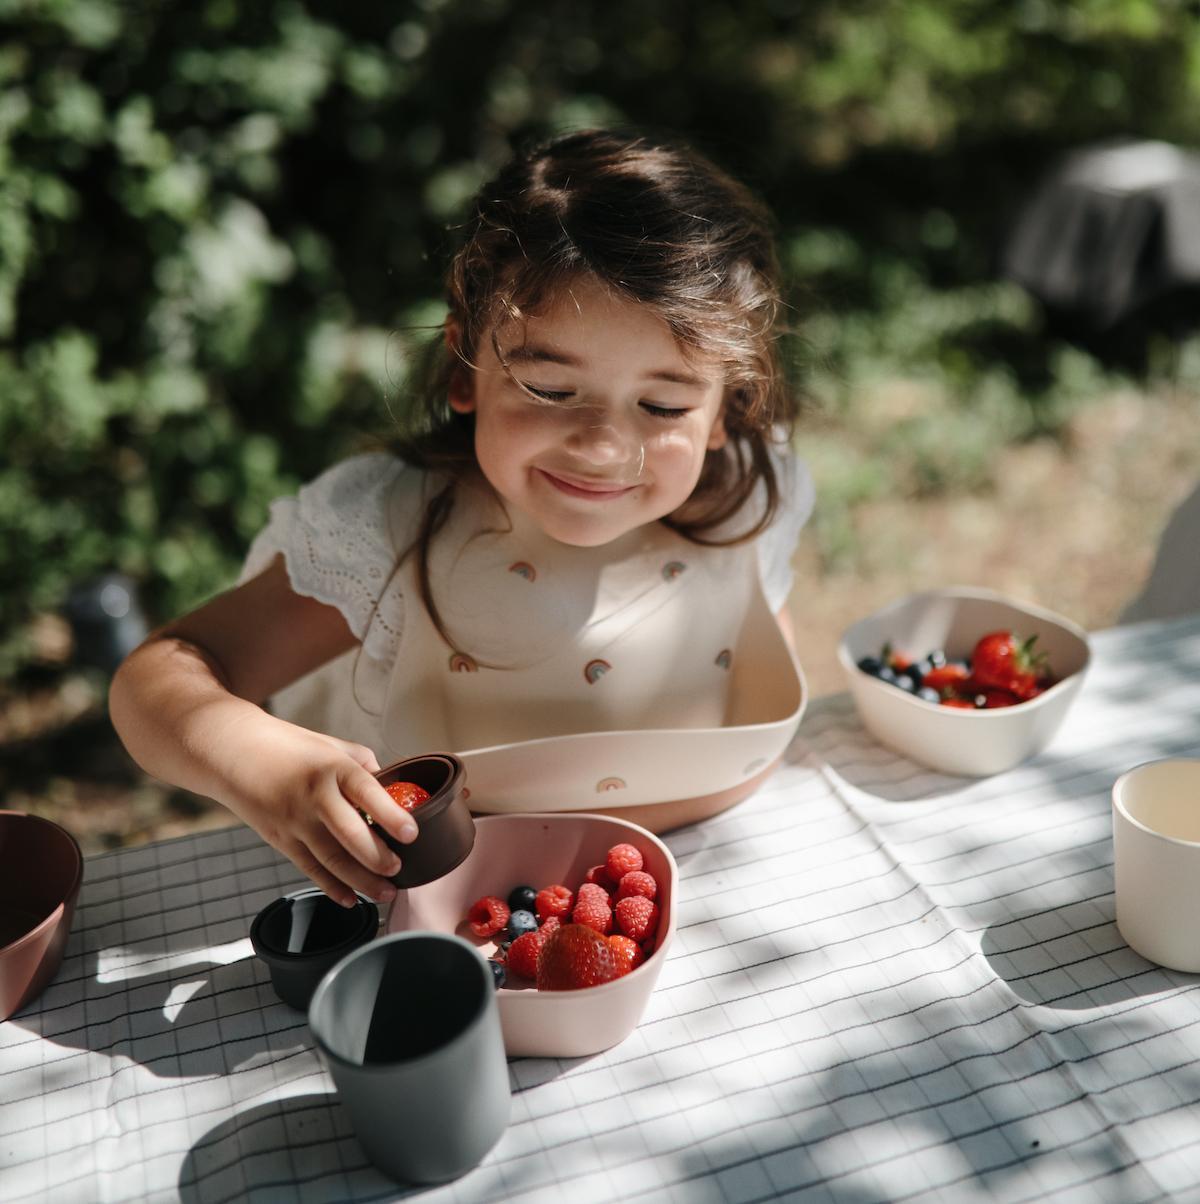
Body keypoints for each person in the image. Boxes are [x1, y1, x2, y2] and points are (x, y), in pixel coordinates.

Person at [110, 129, 814, 908]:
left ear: (725, 408)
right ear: (464, 367)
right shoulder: (387, 534)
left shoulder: (752, 497)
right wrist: (264, 763)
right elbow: (156, 680)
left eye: (664, 405)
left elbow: (751, 662)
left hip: (715, 890)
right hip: (436, 921)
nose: (606, 446)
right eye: (549, 389)